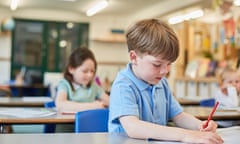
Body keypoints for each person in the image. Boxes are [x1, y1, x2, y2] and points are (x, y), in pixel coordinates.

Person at [108, 19, 223, 144]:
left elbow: (178, 116)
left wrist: (200, 126)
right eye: (157, 65)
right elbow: (133, 127)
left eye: (169, 64)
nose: (165, 71)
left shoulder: (161, 83)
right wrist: (184, 135)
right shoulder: (123, 86)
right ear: (134, 57)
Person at [55, 46, 109, 132]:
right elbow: (60, 104)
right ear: (71, 69)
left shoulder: (93, 86)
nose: (90, 75)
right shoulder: (64, 84)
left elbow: (110, 101)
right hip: (66, 131)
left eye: (92, 71)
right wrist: (92, 106)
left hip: (87, 130)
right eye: (85, 71)